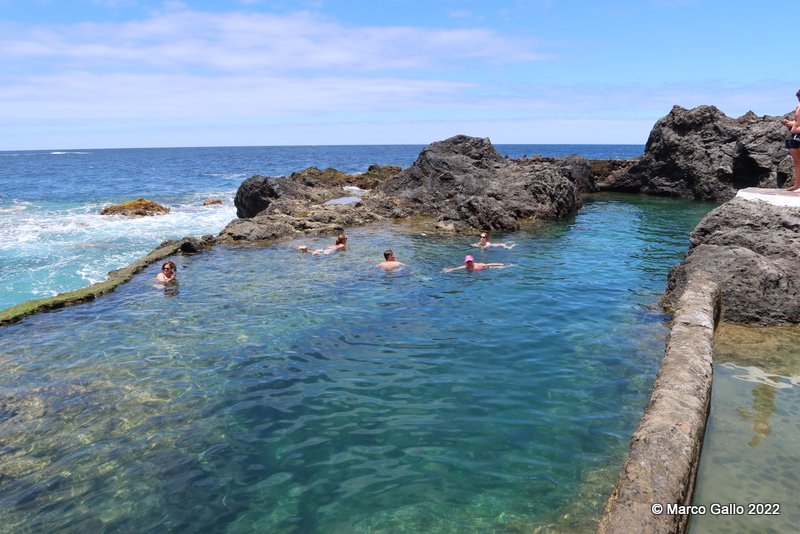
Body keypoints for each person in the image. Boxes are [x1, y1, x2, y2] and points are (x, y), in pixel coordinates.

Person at [781, 88, 800, 191]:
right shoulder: (798, 107)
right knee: (797, 162)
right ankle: (797, 185)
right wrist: (789, 123)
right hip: (794, 136)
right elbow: (797, 122)